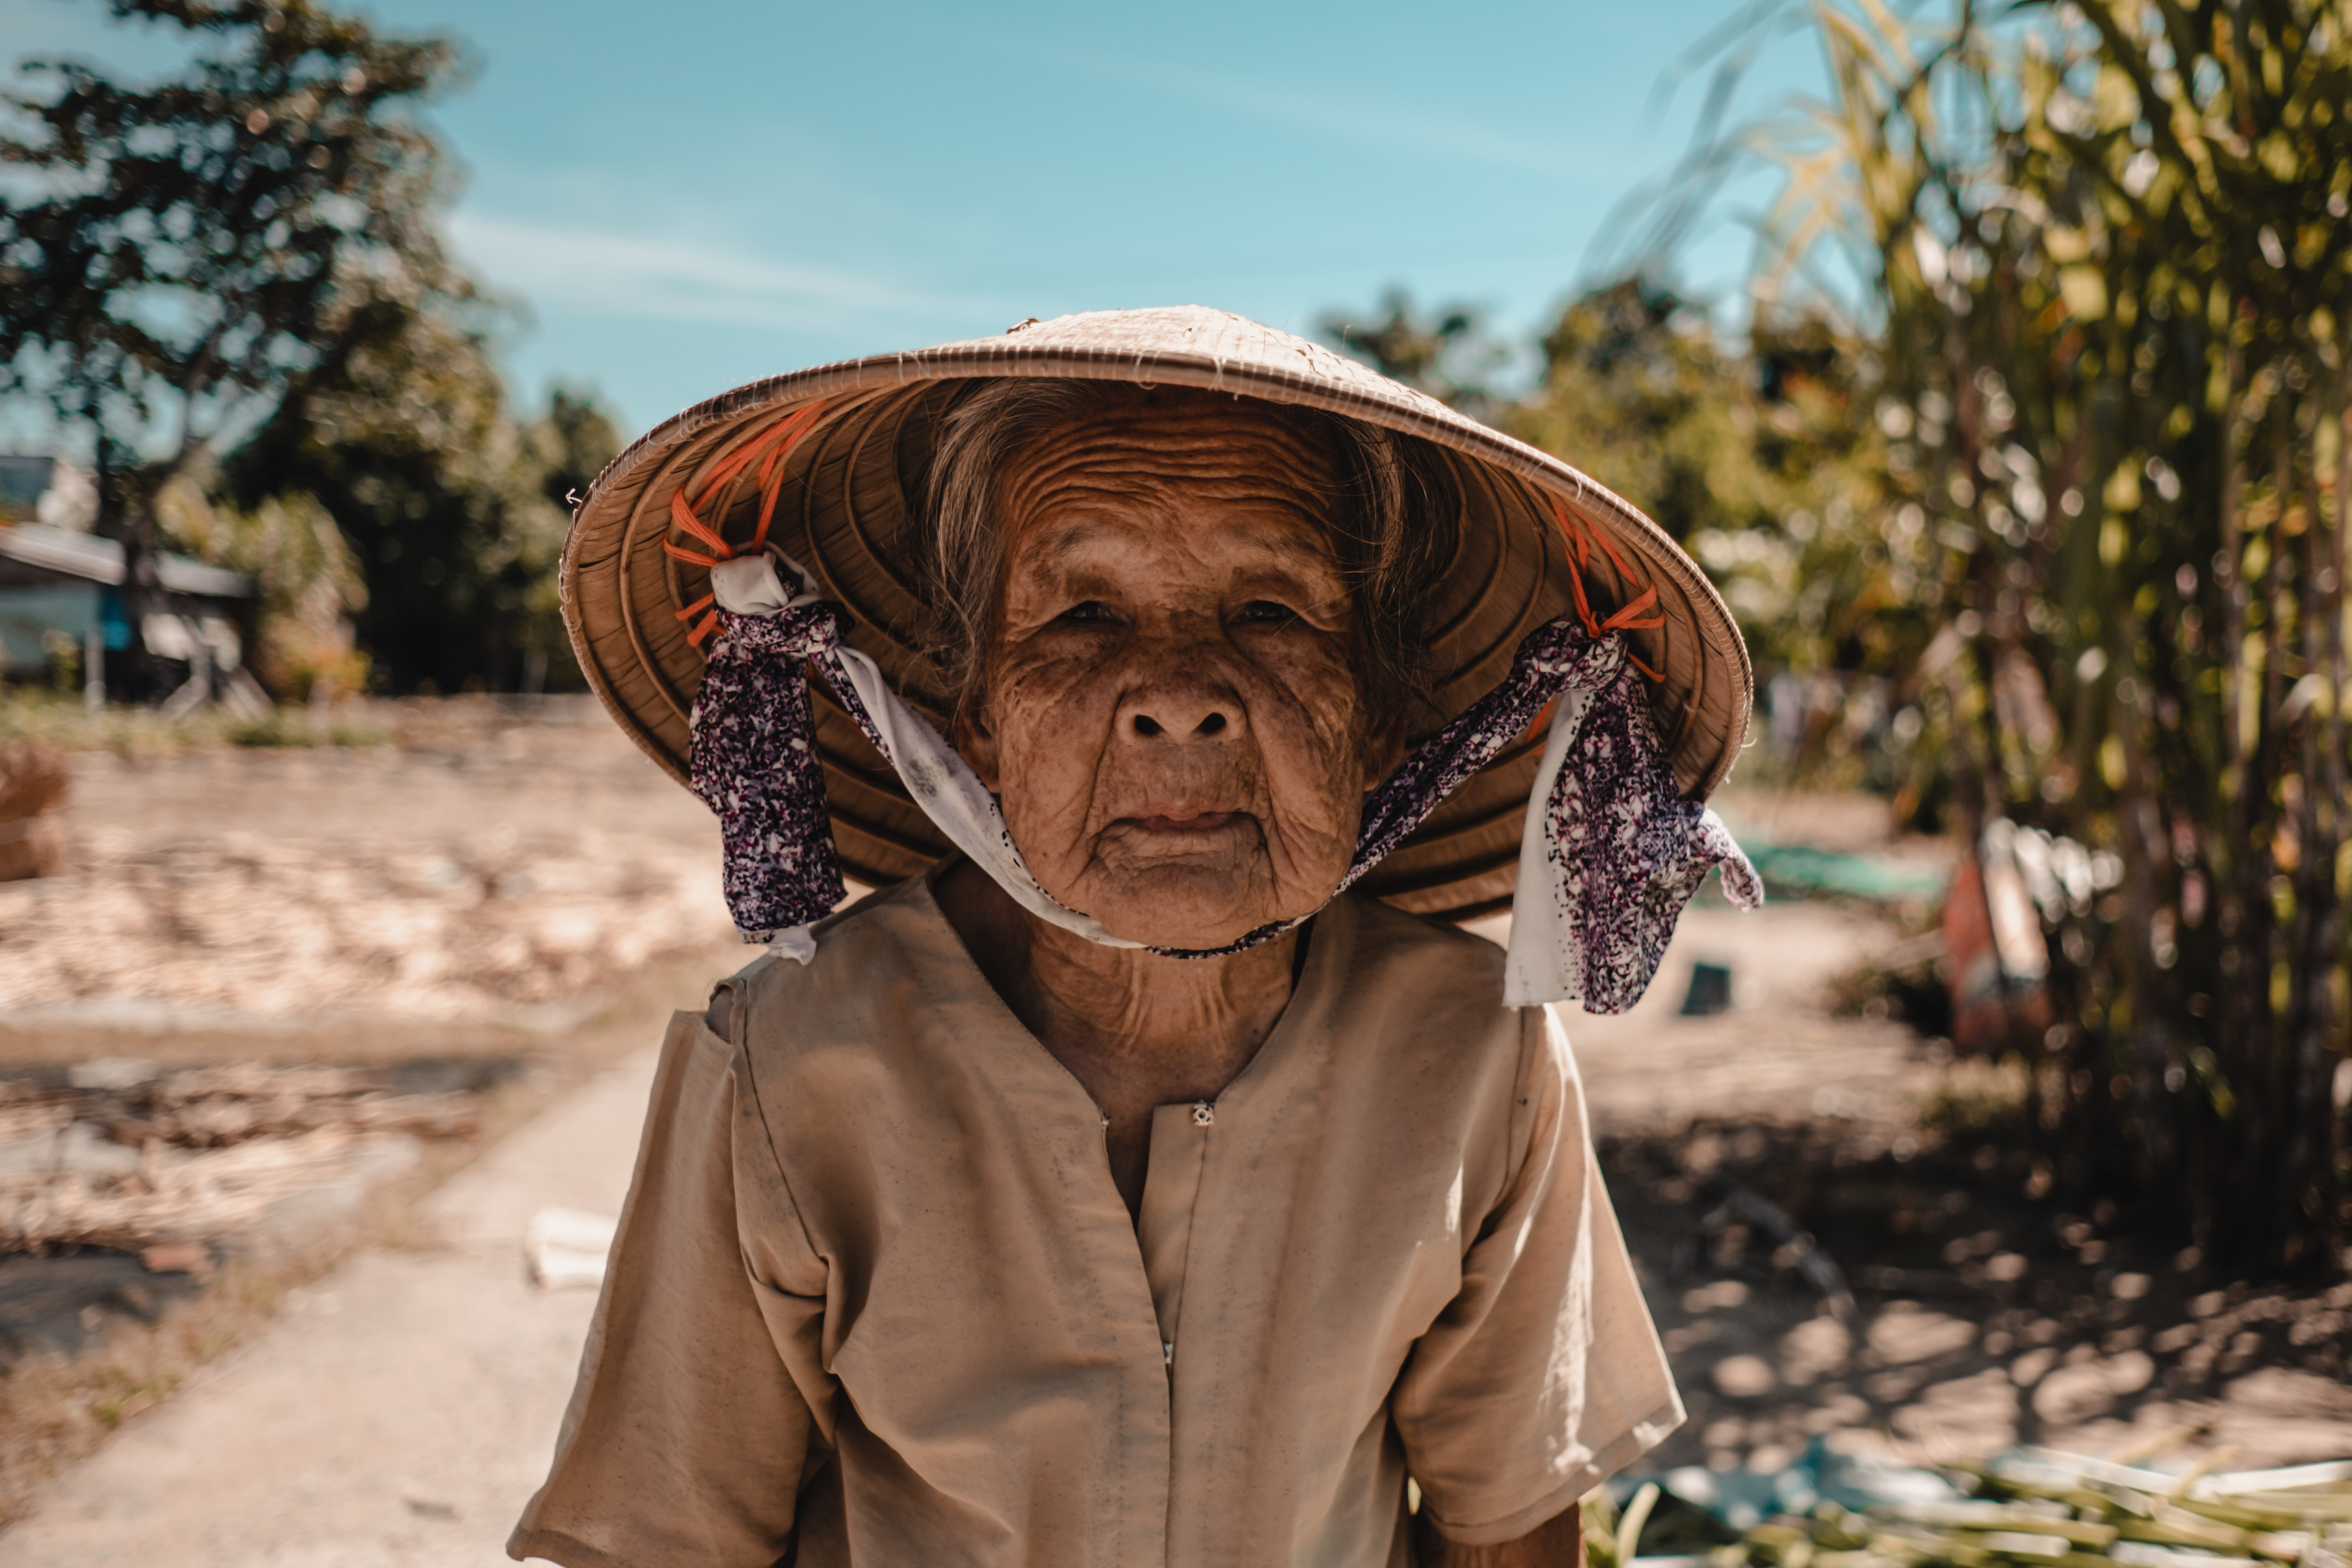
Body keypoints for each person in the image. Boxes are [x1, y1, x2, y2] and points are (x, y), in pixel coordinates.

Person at [509, 307, 1760, 1567]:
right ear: (978, 720)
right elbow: (665, 1544)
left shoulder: (1478, 1058)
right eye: (1083, 617)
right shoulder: (786, 1063)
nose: (1177, 699)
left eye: (1268, 610)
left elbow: (1506, 1529)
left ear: (1379, 719)